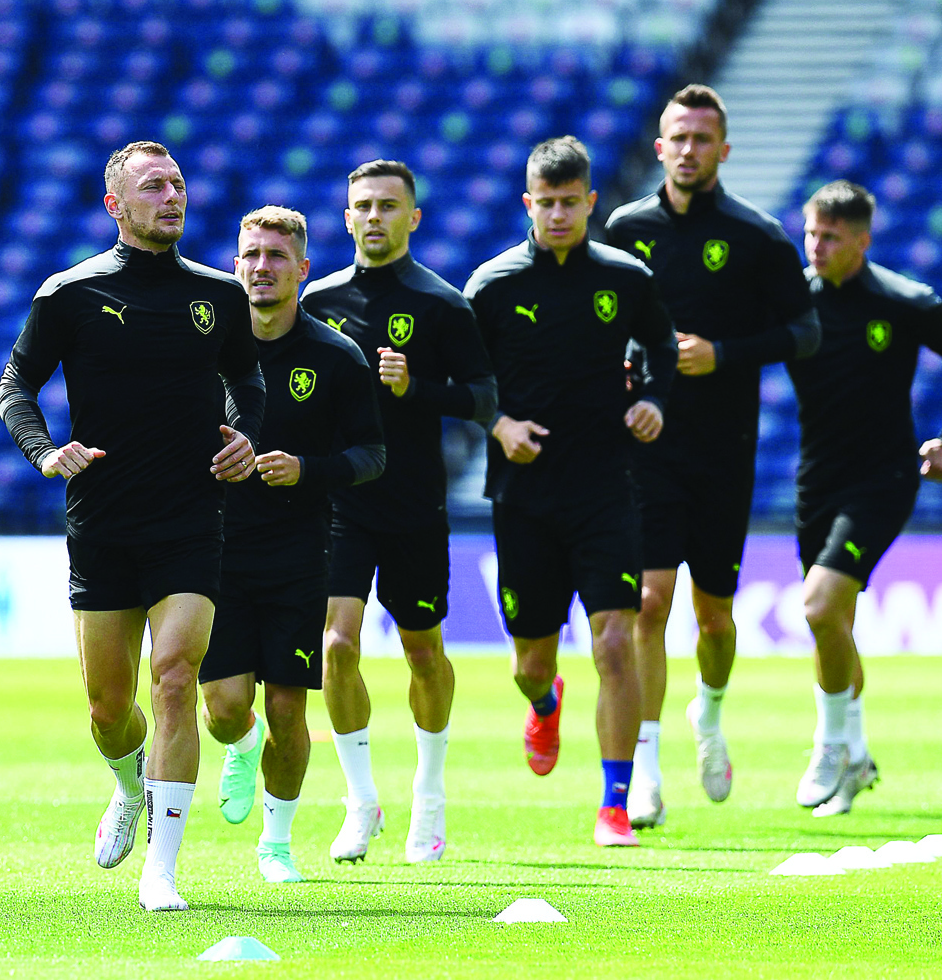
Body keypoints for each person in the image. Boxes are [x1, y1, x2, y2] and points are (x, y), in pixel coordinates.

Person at [0, 140, 265, 911]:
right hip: (103, 520)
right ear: (115, 205)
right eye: (153, 186)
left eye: (178, 182)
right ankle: (127, 782)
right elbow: (16, 383)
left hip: (191, 516)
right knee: (109, 709)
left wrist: (244, 429)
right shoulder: (70, 293)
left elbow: (245, 374)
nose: (171, 195)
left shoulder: (218, 292)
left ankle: (164, 869)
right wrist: (45, 452)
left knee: (176, 675)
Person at [604, 84, 819, 828]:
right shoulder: (626, 228)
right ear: (659, 147)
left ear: (722, 150)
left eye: (702, 139)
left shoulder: (756, 236)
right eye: (677, 137)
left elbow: (805, 332)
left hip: (723, 449)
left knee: (715, 619)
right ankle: (646, 767)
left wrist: (721, 354)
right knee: (648, 604)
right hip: (647, 445)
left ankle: (710, 710)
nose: (689, 150)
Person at [465, 136, 677, 848]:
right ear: (528, 203)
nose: (557, 214)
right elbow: (466, 377)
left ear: (591, 201)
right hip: (522, 493)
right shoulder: (491, 285)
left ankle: (613, 804)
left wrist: (653, 399)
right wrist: (496, 423)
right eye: (544, 203)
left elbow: (661, 347)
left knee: (615, 641)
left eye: (569, 202)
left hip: (605, 488)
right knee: (531, 662)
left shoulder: (624, 277)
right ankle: (544, 702)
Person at [300, 161, 496, 864]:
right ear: (346, 218)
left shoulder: (441, 305)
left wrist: (417, 386)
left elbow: (482, 399)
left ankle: (431, 793)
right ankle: (360, 802)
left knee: (422, 651)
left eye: (389, 206)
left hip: (414, 502)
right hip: (340, 503)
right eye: (363, 206)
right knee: (337, 646)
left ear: (413, 218)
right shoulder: (315, 302)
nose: (374, 216)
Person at [199, 206, 386, 883]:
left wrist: (307, 469)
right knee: (223, 710)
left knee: (287, 705)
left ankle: (275, 846)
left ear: (302, 269)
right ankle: (240, 746)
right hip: (214, 551)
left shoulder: (335, 358)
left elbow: (371, 454)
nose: (260, 268)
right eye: (250, 255)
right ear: (234, 263)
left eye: (276, 257)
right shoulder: (206, 349)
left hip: (298, 554)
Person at [787, 180, 942, 816]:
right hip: (815, 480)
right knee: (835, 626)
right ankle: (859, 756)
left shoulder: (902, 300)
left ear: (862, 242)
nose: (816, 246)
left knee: (818, 608)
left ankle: (829, 743)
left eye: (830, 237)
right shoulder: (794, 300)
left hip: (882, 480)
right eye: (811, 232)